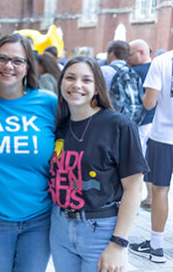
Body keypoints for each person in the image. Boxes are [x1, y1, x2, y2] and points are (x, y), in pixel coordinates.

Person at [48, 56, 148, 272]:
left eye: (86, 80)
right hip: (59, 227)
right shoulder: (60, 125)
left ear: (96, 88)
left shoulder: (119, 125)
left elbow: (134, 188)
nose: (76, 85)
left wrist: (118, 244)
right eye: (70, 78)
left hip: (100, 230)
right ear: (61, 83)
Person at [0, 33, 57, 272]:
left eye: (18, 61)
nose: (9, 66)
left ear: (28, 67)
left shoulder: (49, 103)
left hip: (39, 218)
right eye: (2, 58)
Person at [129, 48, 173, 264]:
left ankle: (156, 247)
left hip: (164, 136)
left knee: (160, 191)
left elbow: (149, 103)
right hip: (162, 136)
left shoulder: (162, 61)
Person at [128, 39, 155, 211]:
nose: (127, 58)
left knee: (136, 162)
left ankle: (137, 198)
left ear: (141, 52)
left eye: (130, 54)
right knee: (150, 160)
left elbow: (144, 103)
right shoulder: (160, 68)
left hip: (142, 122)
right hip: (156, 123)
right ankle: (149, 197)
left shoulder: (135, 72)